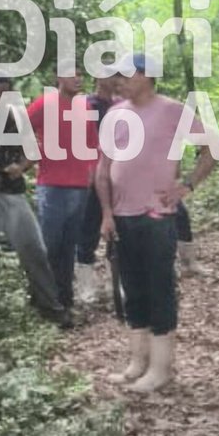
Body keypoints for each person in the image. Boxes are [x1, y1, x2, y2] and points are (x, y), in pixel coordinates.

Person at [96, 54, 217, 394]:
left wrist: (186, 186)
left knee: (159, 287)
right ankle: (139, 361)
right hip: (122, 216)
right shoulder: (115, 114)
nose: (119, 81)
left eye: (126, 75)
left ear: (147, 76)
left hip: (157, 216)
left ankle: (161, 367)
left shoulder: (172, 111)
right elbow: (103, 168)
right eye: (117, 76)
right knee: (132, 288)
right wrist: (106, 213)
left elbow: (212, 150)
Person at [0, 74, 69, 327]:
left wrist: (21, 168)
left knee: (35, 249)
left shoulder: (17, 117)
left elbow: (33, 150)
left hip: (14, 192)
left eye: (3, 93)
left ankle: (50, 306)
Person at [26, 72, 100, 313]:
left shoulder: (85, 107)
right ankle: (43, 300)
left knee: (69, 247)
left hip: (80, 187)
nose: (78, 79)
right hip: (52, 186)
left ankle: (65, 300)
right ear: (59, 78)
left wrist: (91, 174)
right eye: (72, 75)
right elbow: (20, 130)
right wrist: (32, 154)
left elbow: (93, 144)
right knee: (49, 245)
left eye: (80, 75)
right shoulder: (44, 104)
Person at [74, 75, 122, 303]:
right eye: (109, 74)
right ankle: (85, 285)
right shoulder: (86, 105)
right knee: (89, 229)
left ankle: (118, 281)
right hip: (91, 175)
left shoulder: (121, 105)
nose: (114, 79)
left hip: (117, 176)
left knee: (120, 229)